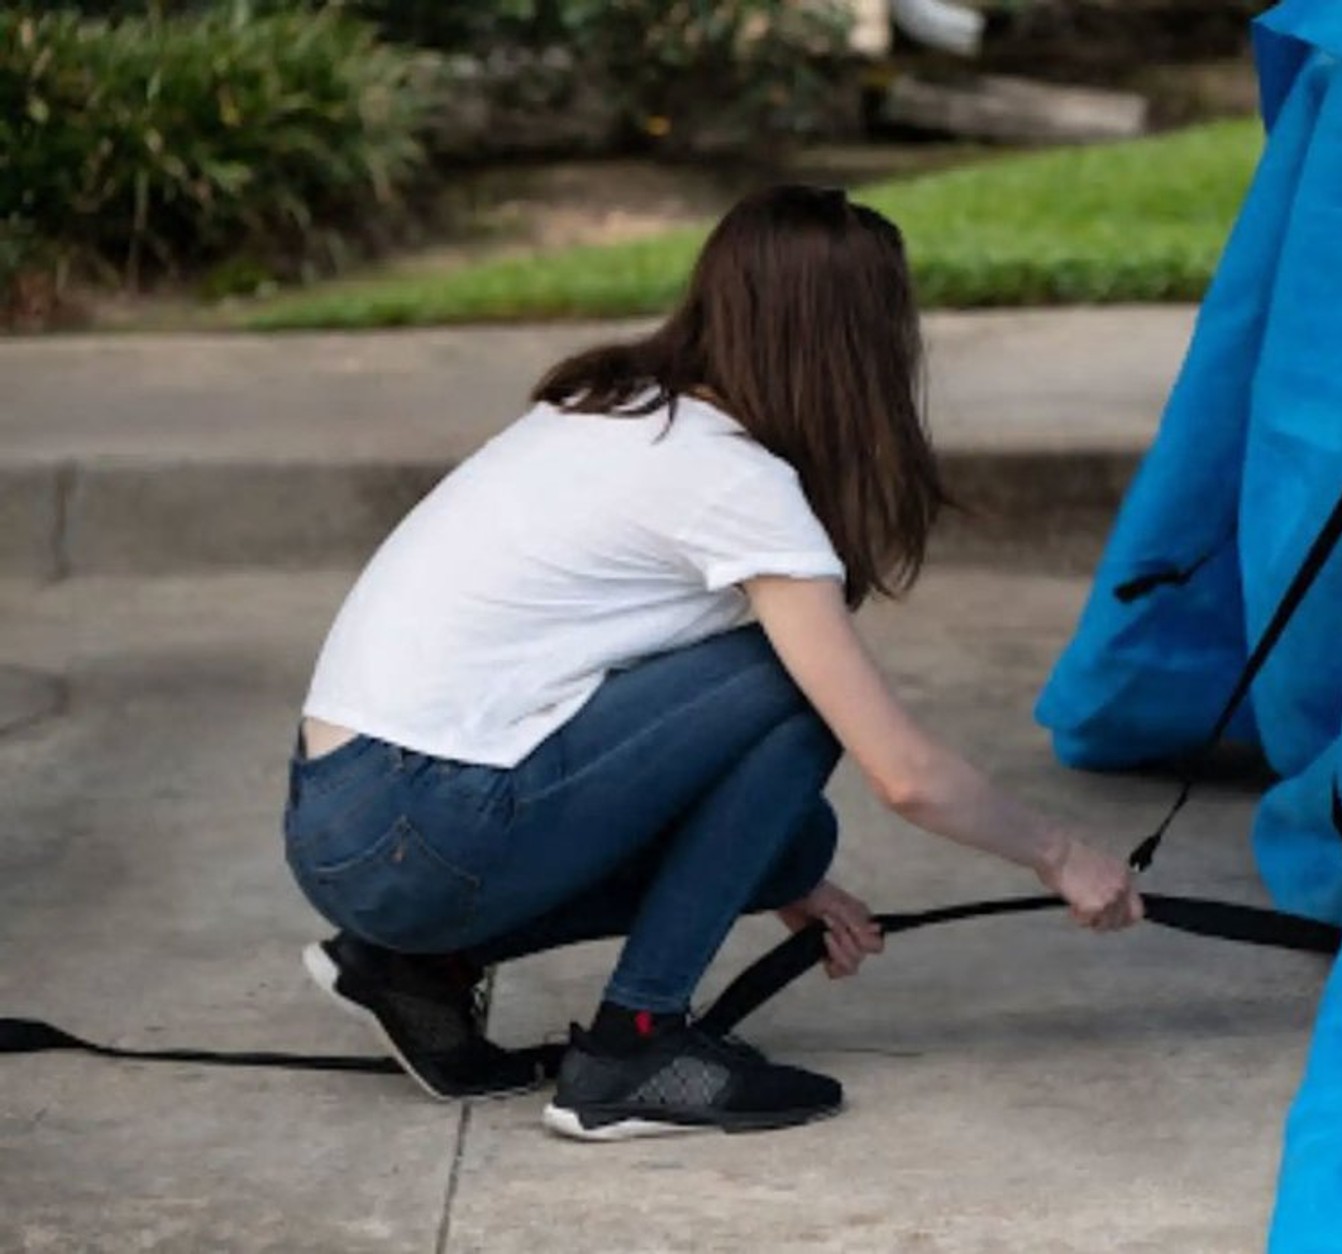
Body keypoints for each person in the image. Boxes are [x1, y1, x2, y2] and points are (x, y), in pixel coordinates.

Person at [281, 185, 1145, 1141]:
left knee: (794, 849)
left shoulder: (613, 406)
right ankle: (635, 1046)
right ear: (853, 345)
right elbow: (902, 773)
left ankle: (413, 970)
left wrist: (777, 875)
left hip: (342, 819)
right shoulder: (734, 481)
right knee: (801, 683)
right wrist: (1062, 856)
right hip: (426, 827)